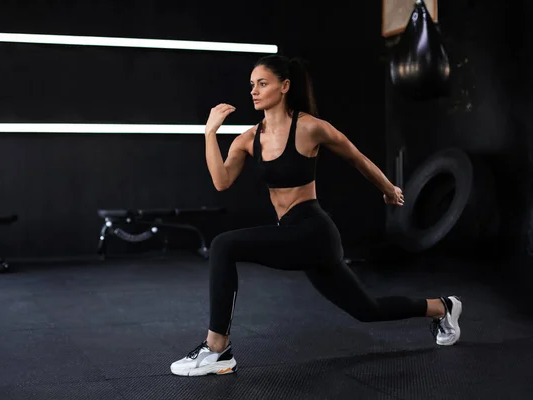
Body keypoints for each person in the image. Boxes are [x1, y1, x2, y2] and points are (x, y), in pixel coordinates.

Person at [170, 54, 462, 377]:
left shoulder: (308, 128)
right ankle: (443, 307)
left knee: (224, 246)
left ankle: (217, 348)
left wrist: (389, 188)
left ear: (285, 86)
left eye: (262, 84)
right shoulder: (248, 139)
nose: (254, 91)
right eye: (252, 85)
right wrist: (210, 134)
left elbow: (355, 156)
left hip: (314, 231)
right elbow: (221, 181)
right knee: (367, 309)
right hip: (295, 236)